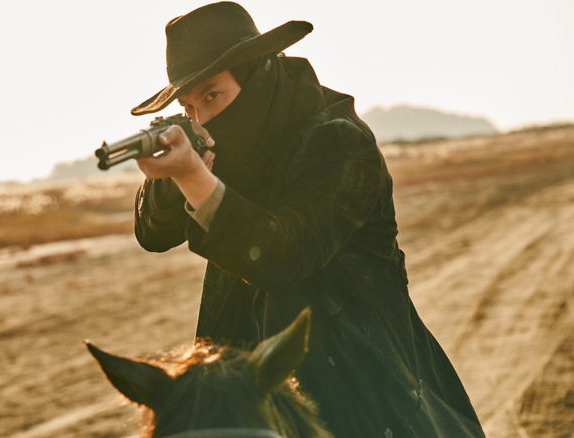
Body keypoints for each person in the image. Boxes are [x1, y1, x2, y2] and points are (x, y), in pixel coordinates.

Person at [130, 2, 485, 436]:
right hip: (248, 380)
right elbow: (152, 234)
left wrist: (194, 175)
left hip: (360, 377)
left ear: (257, 73)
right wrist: (171, 178)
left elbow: (283, 254)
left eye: (212, 95)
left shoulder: (336, 139)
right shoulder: (220, 145)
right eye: (188, 107)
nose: (201, 120)